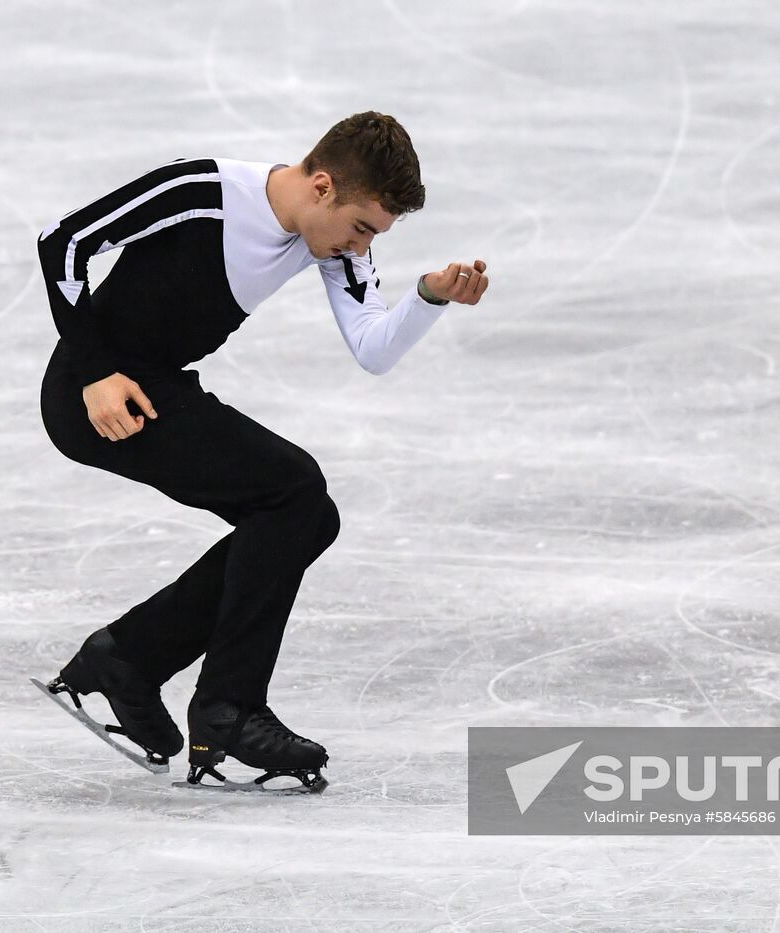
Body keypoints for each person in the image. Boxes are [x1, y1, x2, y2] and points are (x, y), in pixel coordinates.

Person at [34, 111, 490, 787]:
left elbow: (372, 345)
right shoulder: (201, 194)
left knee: (305, 514)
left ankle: (127, 659)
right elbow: (63, 241)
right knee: (293, 491)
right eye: (362, 226)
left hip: (159, 390)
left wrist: (428, 297)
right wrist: (96, 370)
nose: (362, 246)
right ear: (322, 187)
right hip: (96, 395)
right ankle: (227, 707)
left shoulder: (332, 243)